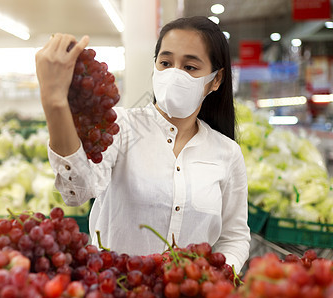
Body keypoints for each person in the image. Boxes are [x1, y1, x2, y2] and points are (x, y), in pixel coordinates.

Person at [35, 16, 250, 273]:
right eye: (166, 63)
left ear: (215, 80)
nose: (174, 74)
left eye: (190, 67)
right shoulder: (121, 128)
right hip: (115, 288)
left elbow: (234, 237)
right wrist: (55, 103)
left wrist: (219, 276)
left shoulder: (227, 152)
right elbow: (76, 190)